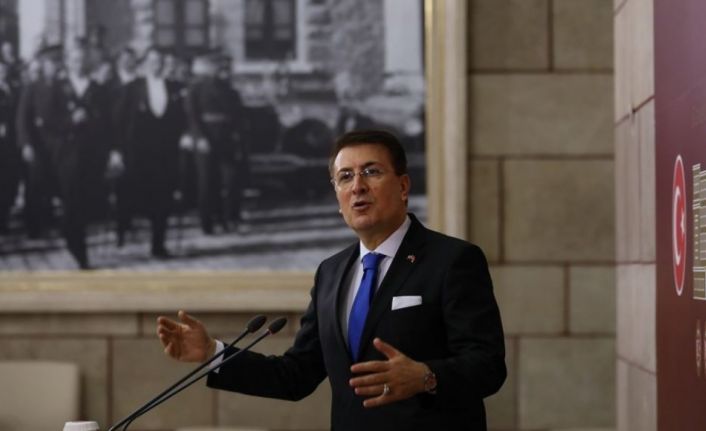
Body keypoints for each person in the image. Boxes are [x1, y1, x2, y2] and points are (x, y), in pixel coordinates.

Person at [157, 129, 506, 430]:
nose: (358, 187)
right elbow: (296, 374)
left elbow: (488, 366)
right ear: (338, 198)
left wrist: (425, 377)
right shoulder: (331, 272)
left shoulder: (452, 260)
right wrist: (212, 352)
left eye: (371, 172)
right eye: (345, 177)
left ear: (403, 186)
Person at [20, 44, 111, 268]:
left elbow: (106, 119)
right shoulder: (58, 87)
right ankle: (77, 245)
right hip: (66, 152)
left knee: (86, 198)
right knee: (72, 197)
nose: (79, 64)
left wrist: (92, 120)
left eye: (82, 60)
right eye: (75, 60)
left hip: (91, 151)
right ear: (68, 62)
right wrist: (71, 121)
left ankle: (74, 235)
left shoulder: (96, 87)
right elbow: (48, 120)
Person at [112, 46, 184, 258]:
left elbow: (182, 119)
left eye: (160, 62)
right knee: (134, 195)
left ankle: (158, 244)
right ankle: (122, 231)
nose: (156, 65)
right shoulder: (132, 88)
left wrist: (185, 136)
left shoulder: (174, 88)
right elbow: (118, 122)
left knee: (163, 198)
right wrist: (117, 150)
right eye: (152, 61)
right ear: (144, 64)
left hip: (165, 154)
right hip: (138, 153)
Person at [184, 51, 247, 234]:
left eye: (225, 67)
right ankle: (207, 223)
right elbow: (192, 117)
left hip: (226, 140)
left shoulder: (231, 92)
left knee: (231, 181)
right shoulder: (196, 89)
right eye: (219, 67)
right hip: (205, 139)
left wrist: (237, 139)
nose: (223, 71)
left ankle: (229, 219)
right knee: (206, 183)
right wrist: (200, 138)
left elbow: (238, 118)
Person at [0, 61, 20, 233]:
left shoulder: (13, 89)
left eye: (5, 71)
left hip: (11, 143)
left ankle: (4, 218)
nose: (3, 74)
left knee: (9, 181)